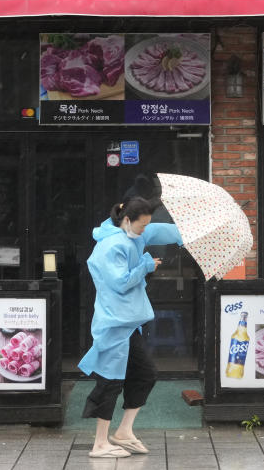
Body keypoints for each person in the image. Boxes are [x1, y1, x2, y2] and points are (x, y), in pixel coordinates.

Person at [78, 196, 182, 458]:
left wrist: (189, 233)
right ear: (127, 220)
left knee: (144, 374)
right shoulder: (112, 245)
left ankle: (123, 431)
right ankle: (100, 443)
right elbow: (120, 282)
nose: (145, 230)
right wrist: (146, 265)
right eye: (142, 225)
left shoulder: (133, 235)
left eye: (147, 225)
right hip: (114, 322)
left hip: (127, 322)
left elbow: (160, 230)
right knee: (110, 381)